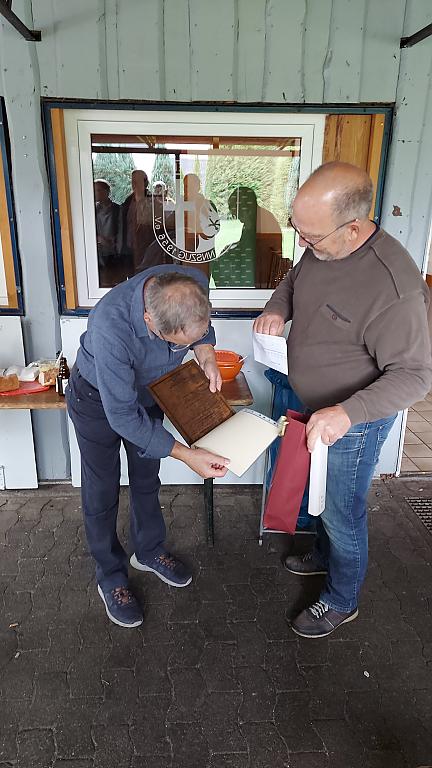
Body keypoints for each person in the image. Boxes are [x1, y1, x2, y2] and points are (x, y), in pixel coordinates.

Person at [254, 161, 432, 639]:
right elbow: (295, 279)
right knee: (322, 497)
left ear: (353, 229)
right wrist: (277, 307)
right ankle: (324, 554)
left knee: (341, 511)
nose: (301, 244)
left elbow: (416, 376)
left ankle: (341, 599)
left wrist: (346, 412)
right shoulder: (323, 247)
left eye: (310, 236)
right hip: (319, 407)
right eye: (297, 229)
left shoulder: (394, 289)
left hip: (354, 422)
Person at [66, 265, 229, 629]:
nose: (180, 350)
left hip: (148, 391)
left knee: (146, 477)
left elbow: (203, 331)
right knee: (102, 488)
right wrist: (186, 455)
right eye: (176, 344)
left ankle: (149, 551)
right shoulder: (110, 327)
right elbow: (123, 417)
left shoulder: (191, 284)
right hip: (97, 400)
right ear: (148, 320)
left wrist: (206, 355)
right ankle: (110, 575)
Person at [94, 179, 120, 269]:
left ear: (107, 192)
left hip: (113, 253)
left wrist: (114, 244)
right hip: (97, 253)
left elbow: (121, 232)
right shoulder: (92, 210)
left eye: (98, 190)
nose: (95, 193)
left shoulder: (118, 210)